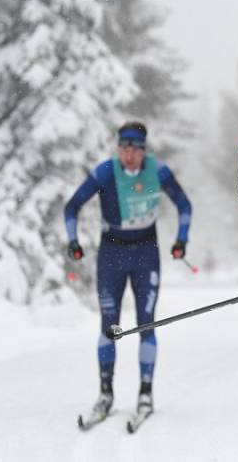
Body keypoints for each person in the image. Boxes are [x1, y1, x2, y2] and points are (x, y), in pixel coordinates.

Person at [64, 121, 192, 420]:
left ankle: (145, 393)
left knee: (147, 324)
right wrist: (73, 241)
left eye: (134, 149)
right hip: (111, 254)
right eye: (123, 148)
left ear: (143, 151)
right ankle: (105, 393)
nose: (128, 155)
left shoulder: (157, 171)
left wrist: (181, 239)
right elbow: (71, 207)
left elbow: (184, 205)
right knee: (109, 324)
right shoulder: (106, 172)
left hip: (146, 253)